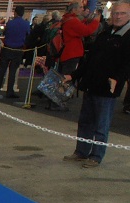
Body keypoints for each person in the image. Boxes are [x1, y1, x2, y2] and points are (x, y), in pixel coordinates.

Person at [62, 0, 130, 168]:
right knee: (85, 122)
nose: (118, 16)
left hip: (107, 89)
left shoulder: (127, 37)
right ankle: (81, 152)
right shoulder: (104, 33)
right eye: (115, 13)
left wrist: (117, 79)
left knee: (101, 125)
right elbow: (89, 60)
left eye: (122, 13)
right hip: (91, 85)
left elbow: (127, 64)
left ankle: (96, 156)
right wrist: (74, 75)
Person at [0, 5, 29, 98]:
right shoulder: (26, 24)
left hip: (7, 48)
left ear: (15, 12)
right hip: (18, 49)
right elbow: (28, 35)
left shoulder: (10, 23)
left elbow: (5, 33)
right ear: (23, 13)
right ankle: (9, 91)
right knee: (13, 71)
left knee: (2, 70)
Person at [59, 1, 100, 77]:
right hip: (72, 53)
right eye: (80, 7)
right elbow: (86, 31)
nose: (83, 9)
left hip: (68, 52)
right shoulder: (72, 21)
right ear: (74, 10)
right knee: (68, 77)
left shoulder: (67, 19)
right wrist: (96, 21)